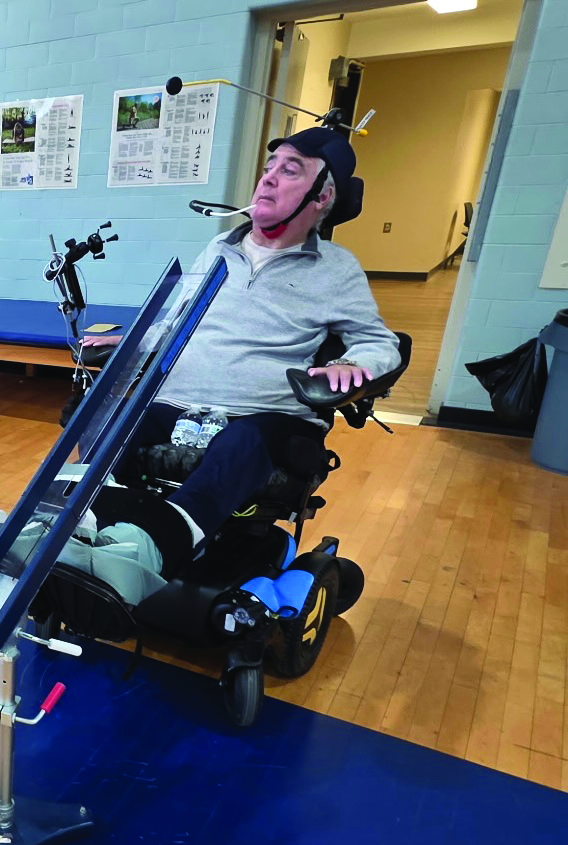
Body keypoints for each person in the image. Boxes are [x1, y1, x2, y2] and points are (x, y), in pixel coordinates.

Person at [76, 127, 400, 587]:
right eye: (268, 168)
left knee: (241, 441)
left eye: (290, 171)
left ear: (322, 196)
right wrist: (134, 343)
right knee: (108, 421)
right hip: (178, 404)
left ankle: (155, 546)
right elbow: (175, 321)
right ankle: (78, 525)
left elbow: (380, 342)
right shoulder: (220, 248)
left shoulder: (336, 268)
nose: (267, 179)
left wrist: (353, 364)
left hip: (266, 417)